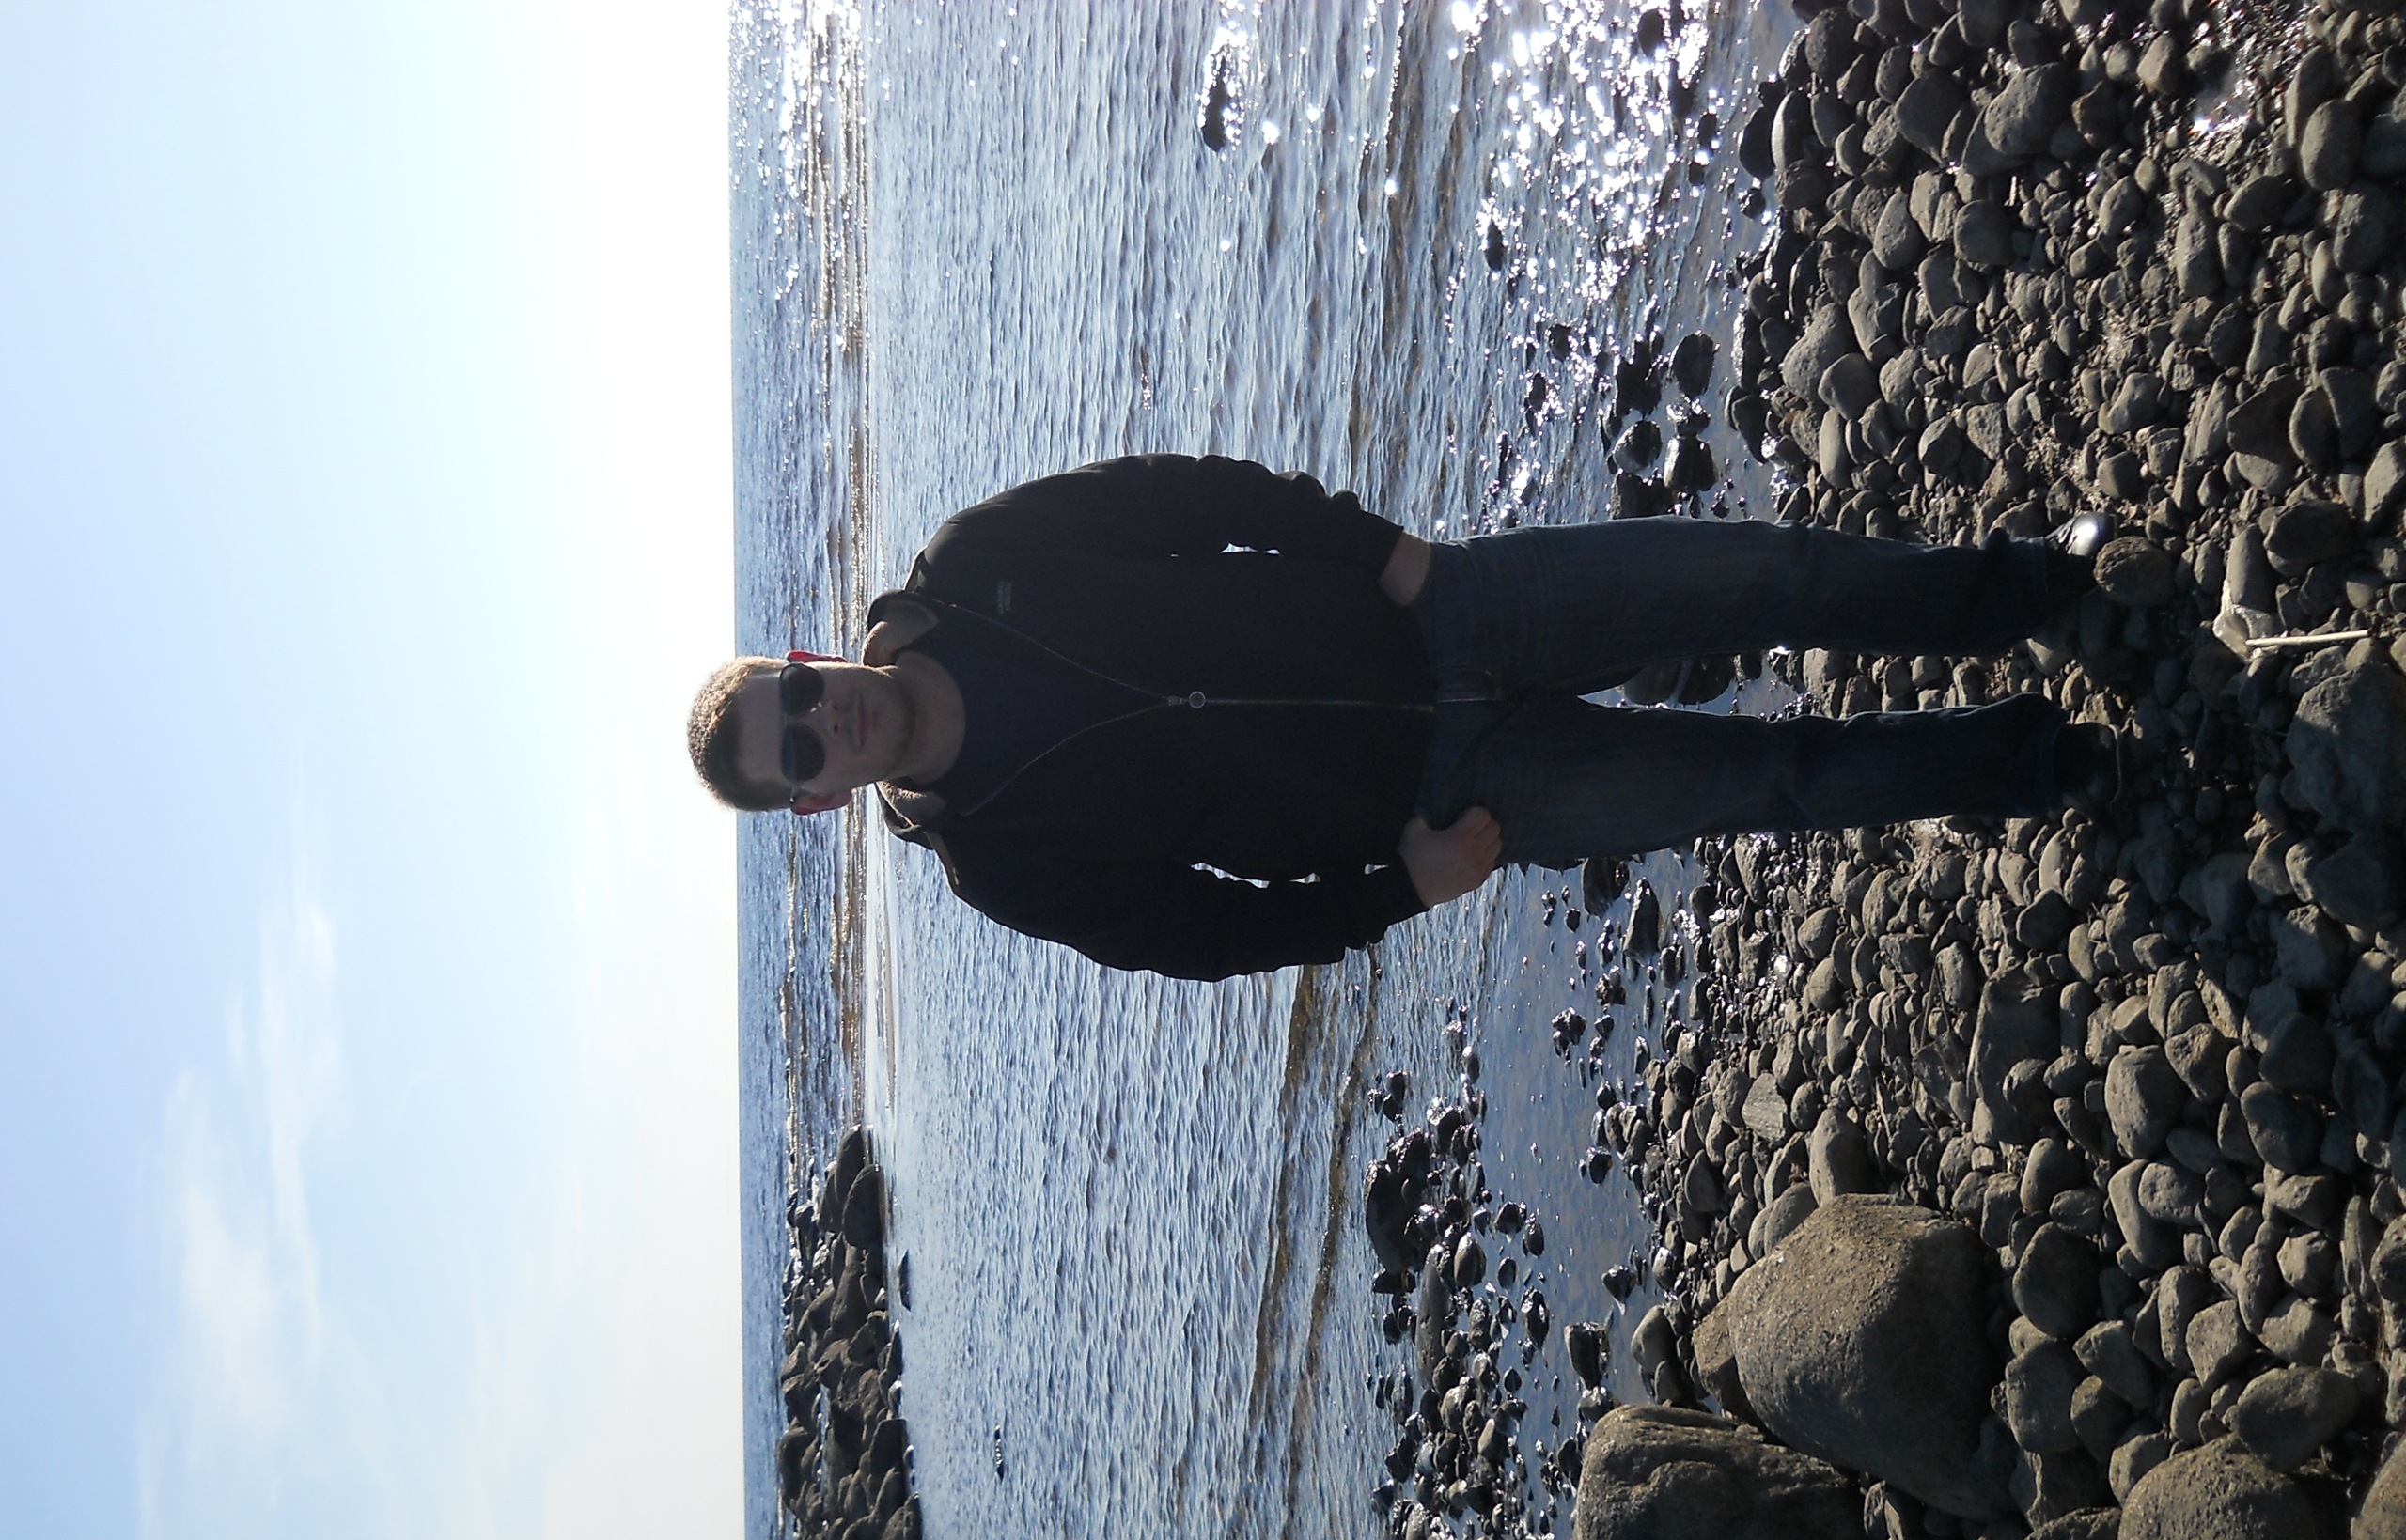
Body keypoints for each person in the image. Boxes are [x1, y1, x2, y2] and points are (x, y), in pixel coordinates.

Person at [687, 454, 2118, 982]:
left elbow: (1187, 498)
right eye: (796, 752)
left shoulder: (975, 563)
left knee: (1762, 573)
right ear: (814, 801)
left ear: (806, 655)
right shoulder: (996, 859)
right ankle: (2030, 760)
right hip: (1453, 798)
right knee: (1771, 780)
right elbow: (1202, 934)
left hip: (1449, 611)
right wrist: (1402, 888)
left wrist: (1380, 549)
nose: (824, 722)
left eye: (795, 693)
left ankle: (2024, 589)